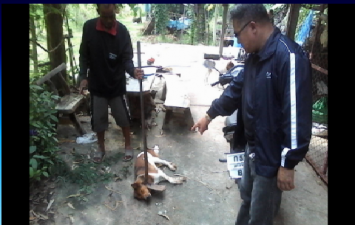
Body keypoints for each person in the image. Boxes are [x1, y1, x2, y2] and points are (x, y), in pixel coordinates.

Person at [191, 4, 312, 225]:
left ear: (253, 27)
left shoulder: (289, 57)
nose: (238, 41)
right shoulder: (254, 57)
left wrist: (287, 164)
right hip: (252, 148)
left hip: (272, 157)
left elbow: (297, 117)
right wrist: (209, 115)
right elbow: (236, 89)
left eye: (237, 34)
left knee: (261, 215)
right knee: (247, 199)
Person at [78, 4, 144, 163]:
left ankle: (128, 145)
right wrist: (82, 76)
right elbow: (83, 55)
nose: (108, 20)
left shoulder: (122, 31)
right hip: (97, 84)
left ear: (116, 11)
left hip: (116, 84)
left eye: (111, 16)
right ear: (98, 12)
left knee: (123, 118)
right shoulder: (89, 27)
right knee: (98, 120)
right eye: (104, 16)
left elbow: (126, 59)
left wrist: (133, 71)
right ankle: (101, 147)